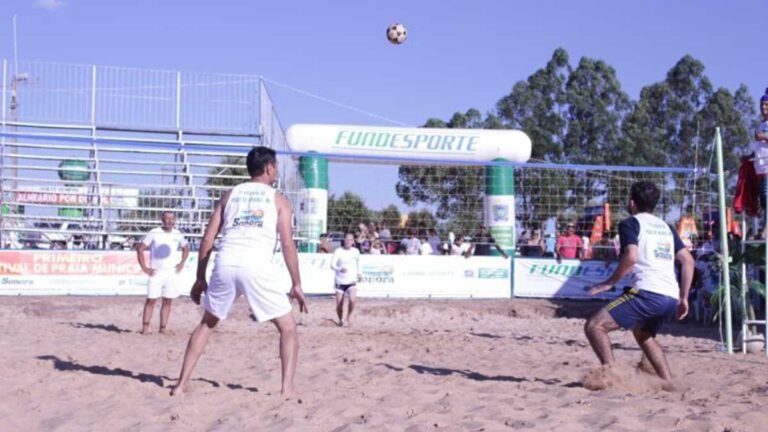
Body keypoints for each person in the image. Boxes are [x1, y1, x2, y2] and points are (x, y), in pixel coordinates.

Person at [171, 146, 308, 397]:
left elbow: (207, 239)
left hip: (226, 262)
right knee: (288, 328)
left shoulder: (229, 195)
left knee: (207, 324)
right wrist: (296, 283)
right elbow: (288, 244)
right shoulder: (278, 199)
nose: (276, 170)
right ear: (269, 168)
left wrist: (200, 277)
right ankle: (287, 388)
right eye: (276, 166)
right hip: (256, 265)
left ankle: (181, 385)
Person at [584, 181, 694, 385]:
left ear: (632, 202)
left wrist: (609, 282)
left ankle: (612, 377)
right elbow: (688, 261)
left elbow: (632, 257)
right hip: (670, 296)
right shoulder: (667, 227)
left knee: (594, 326)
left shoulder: (630, 223)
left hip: (647, 292)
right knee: (643, 334)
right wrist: (684, 298)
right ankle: (667, 381)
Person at [136, 211, 190, 335]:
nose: (170, 221)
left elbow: (186, 248)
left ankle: (163, 328)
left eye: (172, 218)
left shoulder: (178, 234)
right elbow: (140, 248)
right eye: (167, 218)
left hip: (171, 272)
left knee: (167, 300)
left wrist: (182, 263)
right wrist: (144, 267)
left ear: (175, 220)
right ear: (162, 219)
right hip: (156, 272)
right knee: (151, 300)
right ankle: (145, 328)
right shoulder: (154, 232)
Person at [330, 232, 361, 326]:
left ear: (353, 241)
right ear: (344, 240)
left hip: (351, 281)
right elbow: (332, 265)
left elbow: (358, 264)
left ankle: (349, 316)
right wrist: (340, 269)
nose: (348, 241)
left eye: (350, 240)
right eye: (347, 239)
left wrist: (359, 273)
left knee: (352, 300)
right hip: (340, 281)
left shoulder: (356, 251)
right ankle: (341, 319)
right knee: (339, 304)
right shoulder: (338, 251)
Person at [751, 89, 768, 209]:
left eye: (766, 104)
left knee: (766, 197)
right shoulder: (760, 125)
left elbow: (761, 138)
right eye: (762, 104)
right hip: (760, 167)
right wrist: (750, 156)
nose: (763, 107)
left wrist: (762, 136)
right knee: (763, 199)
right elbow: (759, 146)